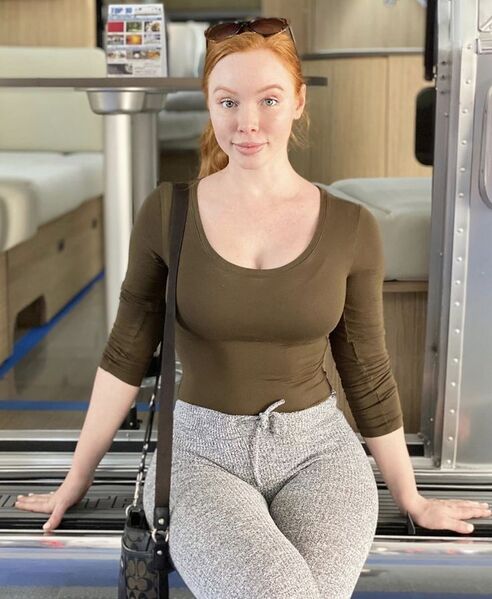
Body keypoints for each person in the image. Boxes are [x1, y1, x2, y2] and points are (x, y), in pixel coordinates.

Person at [14, 16, 491, 599]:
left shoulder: (351, 227)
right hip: (200, 455)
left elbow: (366, 370)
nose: (247, 123)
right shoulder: (167, 212)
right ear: (209, 105)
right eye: (228, 101)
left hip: (318, 453)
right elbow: (125, 354)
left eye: (268, 99)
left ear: (298, 101)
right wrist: (76, 478)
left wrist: (410, 497)